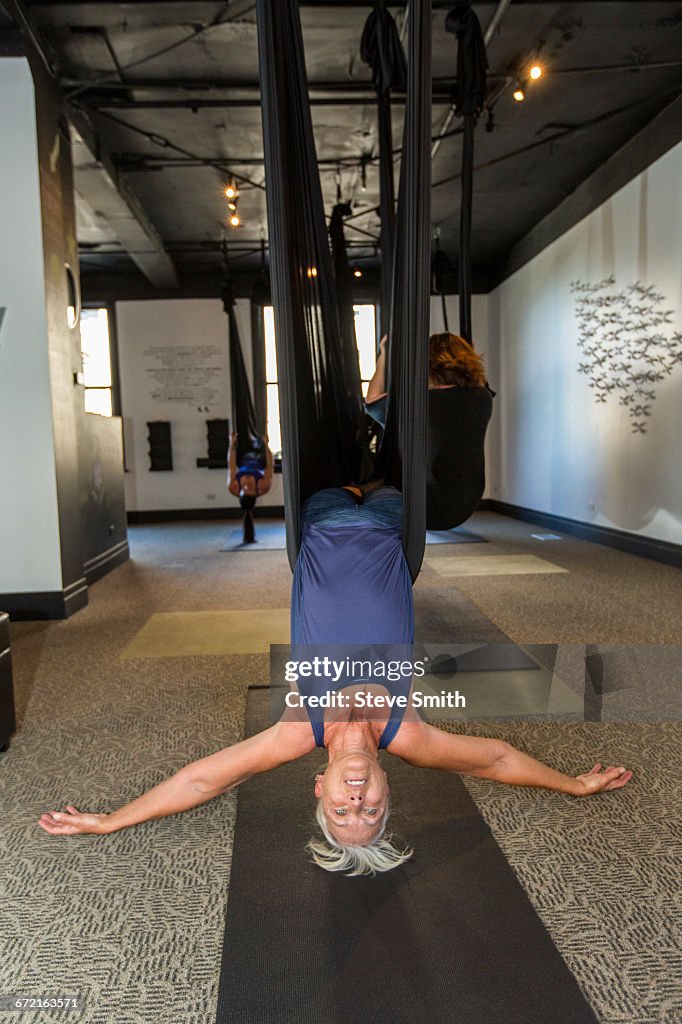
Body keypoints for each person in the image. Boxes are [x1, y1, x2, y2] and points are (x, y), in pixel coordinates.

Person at [38, 485, 632, 875]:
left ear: (316, 787)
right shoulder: (411, 738)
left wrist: (111, 819)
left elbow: (201, 782)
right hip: (390, 528)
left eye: (341, 813)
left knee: (326, 431)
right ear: (386, 794)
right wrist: (573, 787)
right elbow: (497, 761)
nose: (355, 804)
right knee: (389, 425)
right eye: (369, 813)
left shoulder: (298, 732)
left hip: (318, 526)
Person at [365, 332, 494, 530]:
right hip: (466, 503)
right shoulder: (483, 399)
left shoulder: (421, 403)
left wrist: (384, 355)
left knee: (364, 486)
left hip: (424, 505)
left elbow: (371, 402)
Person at [227, 432, 273, 542]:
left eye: (244, 490)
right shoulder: (263, 487)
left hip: (243, 455)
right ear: (256, 495)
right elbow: (270, 465)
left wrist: (232, 444)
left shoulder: (233, 487)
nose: (247, 487)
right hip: (260, 456)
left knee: (241, 429)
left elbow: (231, 465)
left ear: (240, 494)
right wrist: (266, 444)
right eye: (250, 490)